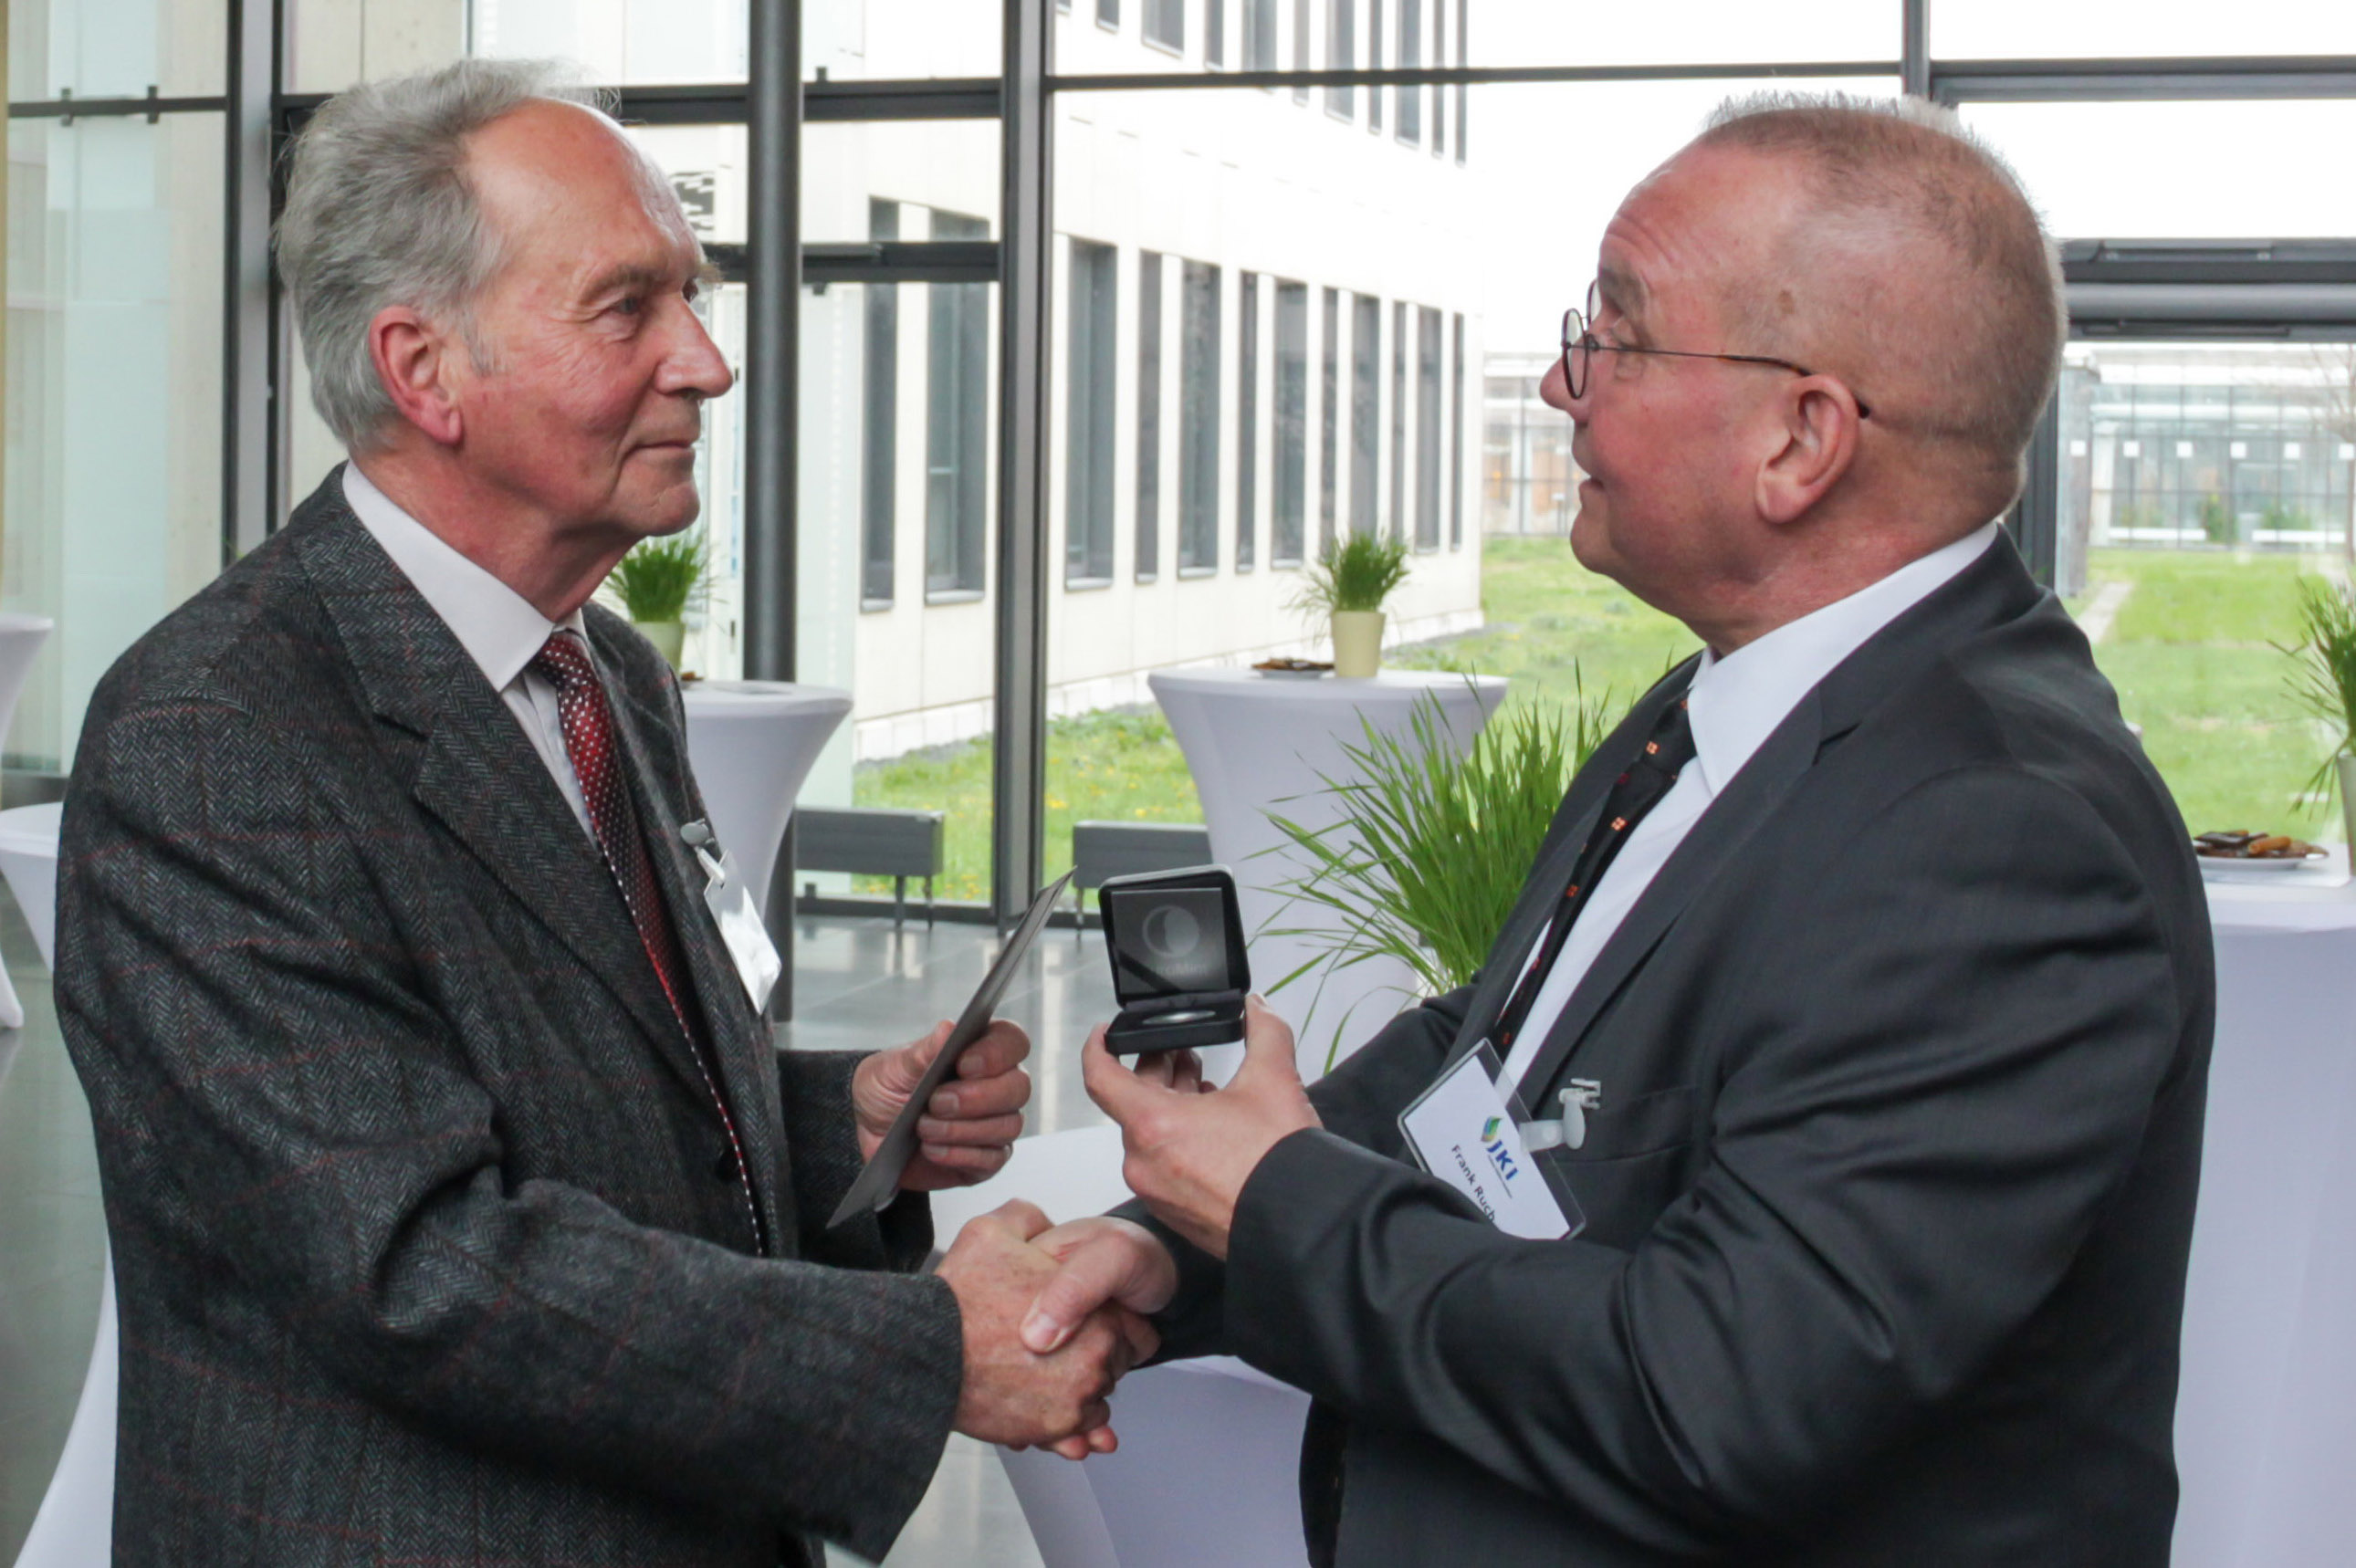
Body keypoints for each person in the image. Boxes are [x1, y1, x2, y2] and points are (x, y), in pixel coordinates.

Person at [1024, 94, 2215, 1566]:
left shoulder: (2002, 839)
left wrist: (1278, 1203)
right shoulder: (1728, 697)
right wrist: (1175, 1244)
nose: (1555, 384)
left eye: (1616, 336)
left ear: (1801, 439)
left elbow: (1718, 1394)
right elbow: (1510, 1055)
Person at [55, 60, 1142, 1567]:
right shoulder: (215, 735)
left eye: (688, 298)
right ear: (423, 370)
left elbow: (600, 1082)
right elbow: (415, 1260)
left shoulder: (603, 670)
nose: (707, 360)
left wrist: (837, 1126)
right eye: (626, 308)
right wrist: (922, 1352)